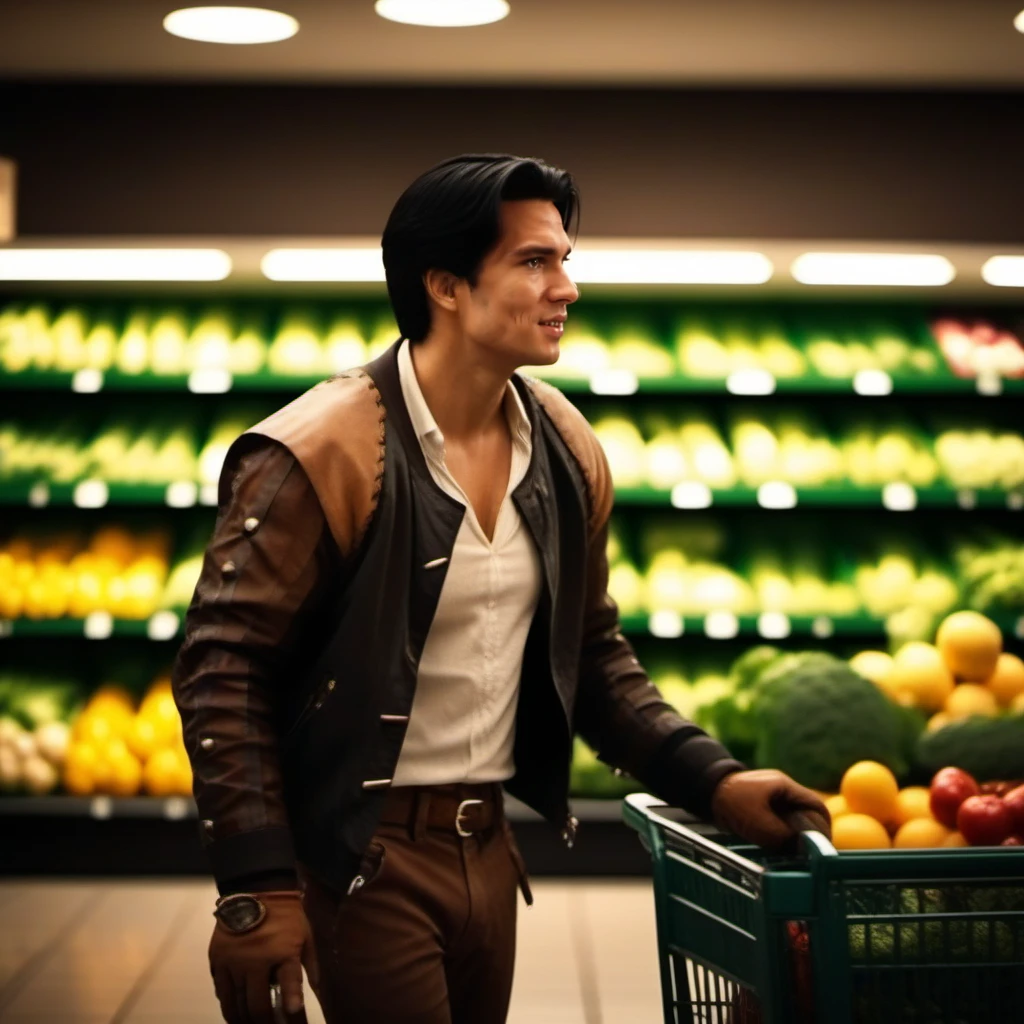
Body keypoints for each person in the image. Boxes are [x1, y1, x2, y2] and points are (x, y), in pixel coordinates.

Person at [172, 153, 830, 1024]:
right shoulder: (320, 451)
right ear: (445, 285)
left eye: (565, 257)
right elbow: (223, 668)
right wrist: (256, 884)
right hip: (361, 855)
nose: (567, 286)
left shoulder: (564, 448)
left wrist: (712, 780)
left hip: (490, 851)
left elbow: (592, 657)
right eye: (534, 261)